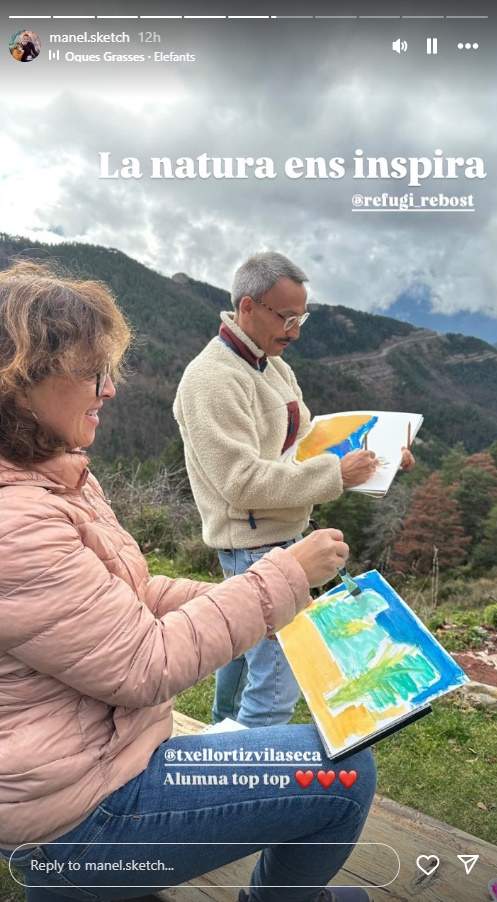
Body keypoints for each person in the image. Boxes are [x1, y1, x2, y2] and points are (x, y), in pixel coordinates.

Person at [0, 261, 376, 902]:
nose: (111, 388)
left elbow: (131, 597)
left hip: (86, 772)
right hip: (81, 817)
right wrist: (283, 574)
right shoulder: (18, 521)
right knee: (345, 773)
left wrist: (267, 598)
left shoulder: (54, 479)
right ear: (20, 383)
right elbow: (146, 663)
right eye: (95, 372)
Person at [173, 252, 414, 729]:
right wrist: (336, 475)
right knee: (276, 681)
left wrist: (378, 459)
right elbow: (239, 483)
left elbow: (306, 437)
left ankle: (220, 740)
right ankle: (252, 779)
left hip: (277, 536)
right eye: (286, 317)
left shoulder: (272, 365)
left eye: (300, 317)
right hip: (252, 545)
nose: (296, 330)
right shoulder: (212, 379)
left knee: (241, 652)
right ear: (248, 307)